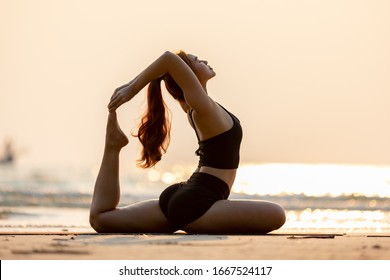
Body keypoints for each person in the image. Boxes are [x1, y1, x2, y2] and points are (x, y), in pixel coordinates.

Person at [89, 50, 285, 234]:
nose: (205, 61)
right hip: (197, 202)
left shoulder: (194, 107)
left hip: (185, 196)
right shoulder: (202, 109)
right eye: (197, 60)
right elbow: (168, 59)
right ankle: (190, 220)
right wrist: (131, 88)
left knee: (101, 219)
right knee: (277, 214)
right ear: (187, 74)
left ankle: (112, 146)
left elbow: (167, 68)